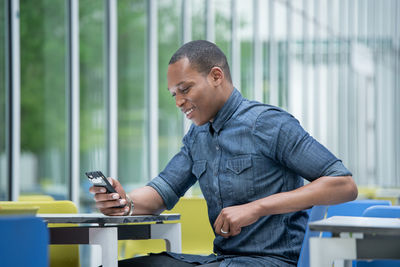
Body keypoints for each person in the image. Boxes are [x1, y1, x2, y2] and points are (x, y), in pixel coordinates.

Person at [90, 40, 358, 267]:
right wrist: (124, 202)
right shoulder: (197, 137)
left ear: (216, 76)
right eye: (173, 94)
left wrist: (256, 208)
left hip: (274, 261)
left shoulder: (268, 124)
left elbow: (344, 185)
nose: (179, 102)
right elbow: (161, 192)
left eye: (185, 89)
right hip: (223, 260)